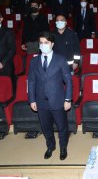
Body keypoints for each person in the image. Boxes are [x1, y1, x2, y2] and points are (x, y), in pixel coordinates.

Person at [28, 31, 72, 160]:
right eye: (41, 43)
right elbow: (31, 81)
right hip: (41, 101)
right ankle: (50, 146)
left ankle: (63, 148)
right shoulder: (34, 61)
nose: (43, 45)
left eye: (46, 43)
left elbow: (68, 80)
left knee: (62, 127)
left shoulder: (61, 59)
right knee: (46, 128)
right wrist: (31, 100)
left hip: (57, 100)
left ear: (52, 44)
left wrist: (68, 99)